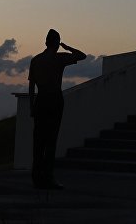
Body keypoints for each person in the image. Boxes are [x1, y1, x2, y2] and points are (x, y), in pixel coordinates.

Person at [28, 29, 86, 189]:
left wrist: (31, 107)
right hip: (54, 100)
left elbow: (31, 86)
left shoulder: (35, 60)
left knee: (38, 141)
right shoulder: (59, 58)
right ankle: (48, 177)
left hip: (40, 101)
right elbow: (82, 56)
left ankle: (36, 176)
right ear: (56, 43)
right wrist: (67, 48)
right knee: (51, 140)